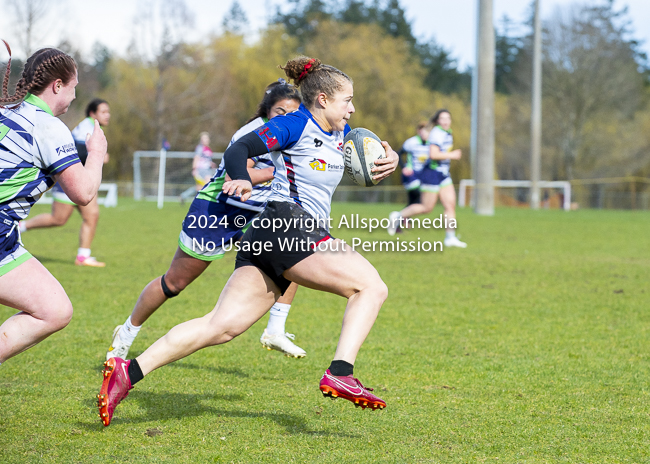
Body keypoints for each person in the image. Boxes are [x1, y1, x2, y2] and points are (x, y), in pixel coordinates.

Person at [97, 56, 399, 426]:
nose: (352, 108)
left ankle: (128, 373)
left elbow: (366, 162)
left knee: (221, 326)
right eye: (346, 100)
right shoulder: (293, 124)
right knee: (371, 287)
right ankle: (340, 371)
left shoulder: (339, 136)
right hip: (288, 225)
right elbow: (238, 149)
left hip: (270, 234)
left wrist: (391, 158)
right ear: (322, 99)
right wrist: (239, 176)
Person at [105, 79, 308, 363]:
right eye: (279, 112)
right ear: (266, 110)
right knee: (174, 283)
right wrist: (278, 172)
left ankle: (275, 329)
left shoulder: (292, 133)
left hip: (256, 214)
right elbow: (233, 177)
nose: (286, 118)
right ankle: (125, 335)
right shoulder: (253, 132)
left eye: (292, 113)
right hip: (217, 211)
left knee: (296, 253)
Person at [0, 41, 107, 365]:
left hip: (6, 239)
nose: (74, 96)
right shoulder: (48, 127)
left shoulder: (8, 112)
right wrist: (98, 153)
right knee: (53, 311)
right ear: (57, 85)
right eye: (73, 87)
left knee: (54, 309)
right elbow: (84, 193)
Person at [19, 98, 111, 266]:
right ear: (92, 113)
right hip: (71, 178)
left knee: (91, 215)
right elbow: (76, 153)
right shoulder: (86, 127)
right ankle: (20, 227)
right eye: (103, 112)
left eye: (108, 112)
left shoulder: (90, 127)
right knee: (58, 219)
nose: (108, 115)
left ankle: (83, 256)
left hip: (82, 178)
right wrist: (98, 155)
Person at [388, 109, 467, 248]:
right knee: (426, 207)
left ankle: (450, 238)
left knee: (450, 205)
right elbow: (433, 154)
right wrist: (452, 155)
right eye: (442, 118)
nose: (446, 121)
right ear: (437, 121)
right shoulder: (436, 133)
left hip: (443, 174)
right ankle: (398, 216)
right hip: (432, 173)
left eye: (448, 118)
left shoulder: (448, 133)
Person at [398, 121, 429, 209]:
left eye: (427, 131)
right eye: (423, 130)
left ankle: (401, 219)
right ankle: (400, 217)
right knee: (419, 198)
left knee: (414, 202)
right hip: (411, 174)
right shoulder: (411, 142)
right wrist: (404, 167)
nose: (425, 133)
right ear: (419, 131)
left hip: (422, 176)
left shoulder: (432, 144)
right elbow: (399, 153)